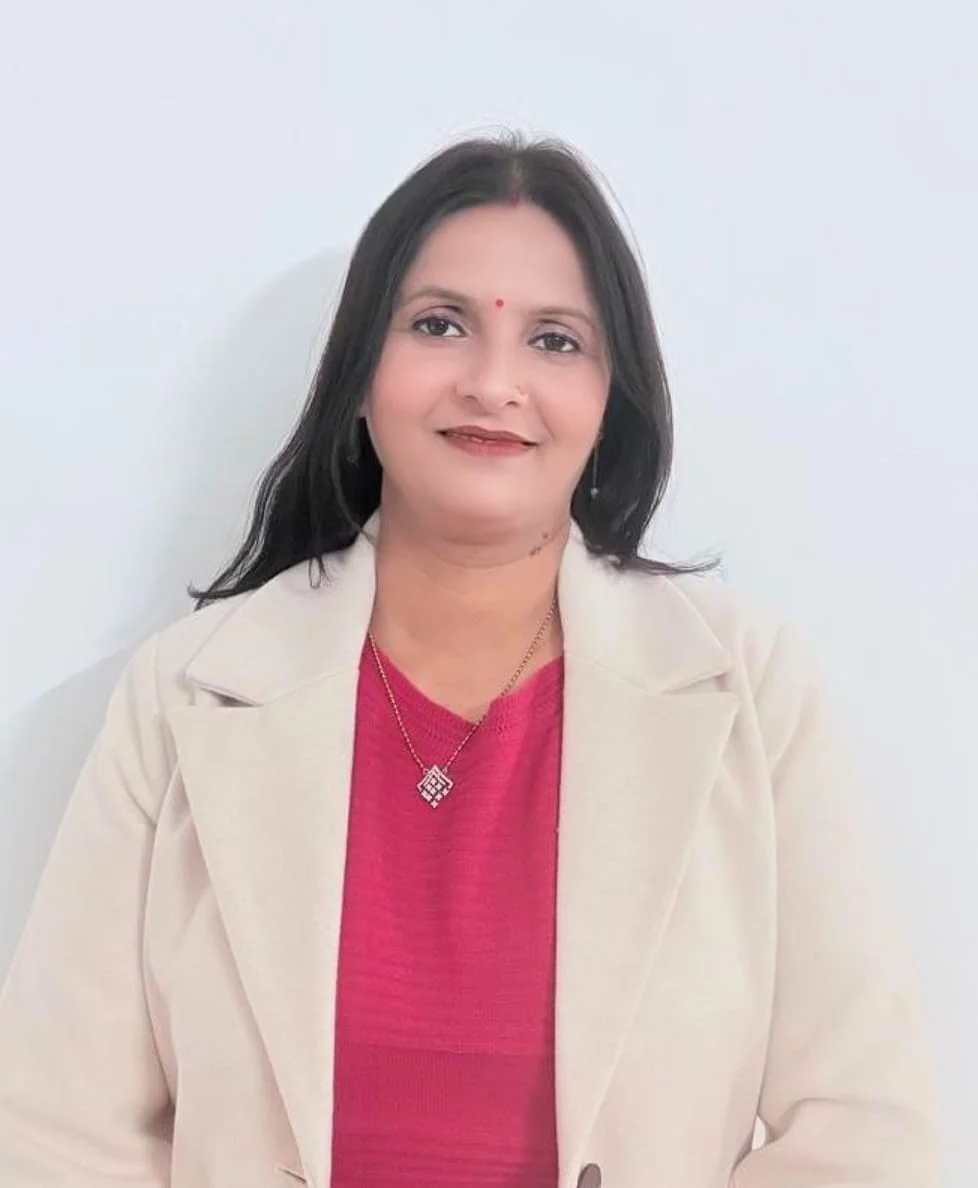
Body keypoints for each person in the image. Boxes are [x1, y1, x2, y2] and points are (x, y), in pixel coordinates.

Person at [0, 133, 942, 1188]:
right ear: (361, 374)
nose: (494, 383)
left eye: (555, 340)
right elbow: (57, 1133)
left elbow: (865, 1130)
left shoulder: (749, 686)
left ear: (612, 396)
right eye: (439, 325)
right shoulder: (184, 694)